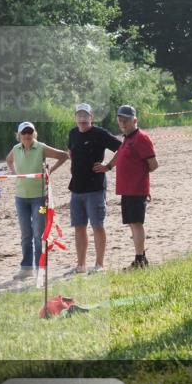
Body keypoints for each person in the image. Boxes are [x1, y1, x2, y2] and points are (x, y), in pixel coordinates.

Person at [50, 104, 122, 275]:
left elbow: (122, 147)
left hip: (95, 188)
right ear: (75, 117)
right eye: (79, 115)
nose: (82, 119)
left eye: (85, 115)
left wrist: (109, 166)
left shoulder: (100, 133)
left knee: (97, 225)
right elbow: (70, 152)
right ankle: (81, 265)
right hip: (76, 189)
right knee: (79, 227)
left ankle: (99, 265)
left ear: (91, 117)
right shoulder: (73, 133)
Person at [94, 105, 157, 269]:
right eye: (120, 120)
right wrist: (107, 166)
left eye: (126, 120)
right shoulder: (127, 138)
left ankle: (141, 259)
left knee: (136, 223)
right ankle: (140, 258)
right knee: (132, 223)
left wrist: (140, 179)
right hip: (127, 189)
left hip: (136, 189)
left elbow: (153, 164)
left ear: (134, 120)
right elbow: (120, 153)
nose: (122, 123)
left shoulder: (141, 138)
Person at [5, 122, 69, 279]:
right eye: (24, 133)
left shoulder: (41, 147)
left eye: (30, 132)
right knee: (26, 234)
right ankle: (26, 268)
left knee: (39, 234)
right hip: (21, 199)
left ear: (34, 134)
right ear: (19, 135)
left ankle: (41, 267)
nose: (27, 135)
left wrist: (50, 171)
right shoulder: (16, 149)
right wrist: (14, 173)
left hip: (39, 199)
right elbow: (8, 160)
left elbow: (64, 156)